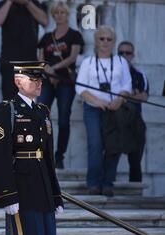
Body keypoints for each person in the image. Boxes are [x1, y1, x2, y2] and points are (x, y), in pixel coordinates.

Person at [0, 61, 64, 235]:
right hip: (21, 189)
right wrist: (7, 194)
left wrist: (56, 194)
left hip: (42, 187)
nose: (39, 83)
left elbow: (48, 158)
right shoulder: (6, 110)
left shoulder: (43, 111)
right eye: (33, 80)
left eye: (40, 80)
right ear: (18, 82)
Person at [75, 26, 132, 196]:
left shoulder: (121, 62)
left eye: (109, 39)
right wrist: (98, 101)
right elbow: (80, 87)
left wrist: (119, 99)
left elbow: (127, 85)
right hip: (93, 108)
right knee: (95, 144)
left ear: (113, 42)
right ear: (96, 41)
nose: (105, 42)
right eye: (102, 39)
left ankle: (108, 183)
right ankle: (93, 183)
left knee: (113, 146)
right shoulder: (88, 62)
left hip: (115, 109)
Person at [37, 1, 84, 169]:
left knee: (64, 119)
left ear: (67, 15)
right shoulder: (46, 37)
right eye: (56, 13)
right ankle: (43, 152)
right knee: (41, 116)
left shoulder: (75, 35)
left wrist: (53, 69)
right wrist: (47, 70)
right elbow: (41, 58)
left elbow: (73, 57)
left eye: (62, 13)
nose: (59, 16)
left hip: (66, 81)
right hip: (47, 81)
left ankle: (60, 156)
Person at [0, 0, 48, 100]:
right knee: (9, 100)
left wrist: (27, 3)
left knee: (28, 101)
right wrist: (9, 2)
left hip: (30, 62)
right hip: (9, 62)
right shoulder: (4, 3)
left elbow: (44, 21)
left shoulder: (34, 3)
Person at [117, 41, 148, 182]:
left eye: (127, 53)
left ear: (133, 55)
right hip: (114, 119)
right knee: (110, 156)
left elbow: (143, 96)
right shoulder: (112, 73)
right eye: (121, 53)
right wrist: (130, 95)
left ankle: (136, 187)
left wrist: (123, 96)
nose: (124, 56)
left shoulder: (139, 75)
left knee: (135, 159)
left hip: (134, 119)